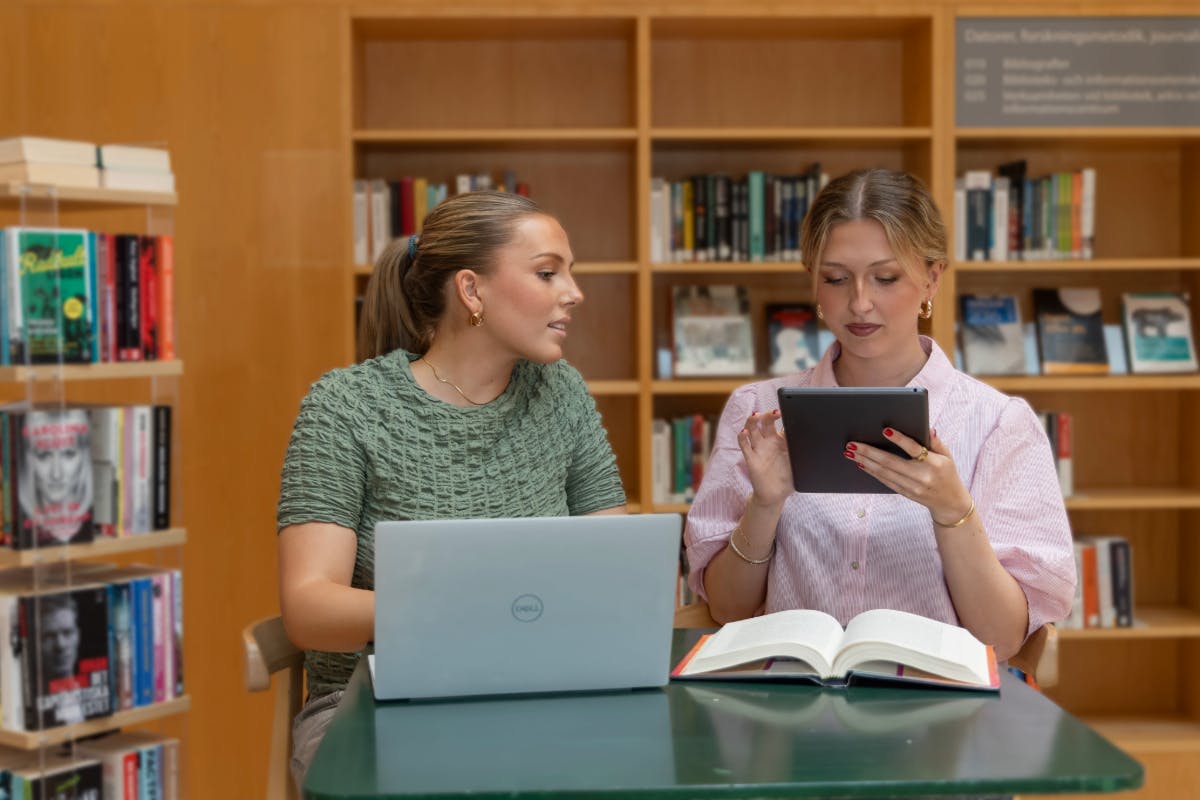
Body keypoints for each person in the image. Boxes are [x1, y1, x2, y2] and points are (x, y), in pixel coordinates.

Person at [276, 190, 627, 783]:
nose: (574, 292)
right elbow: (310, 607)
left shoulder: (561, 393)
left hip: (535, 697)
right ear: (471, 291)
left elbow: (617, 569)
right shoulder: (345, 406)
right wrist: (473, 611)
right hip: (369, 704)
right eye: (548, 273)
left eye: (570, 273)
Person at [685, 168, 1076, 666]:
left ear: (932, 278)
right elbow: (727, 610)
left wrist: (953, 511)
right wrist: (764, 504)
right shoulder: (758, 411)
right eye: (835, 278)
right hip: (793, 707)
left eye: (885, 278)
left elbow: (1001, 641)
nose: (860, 303)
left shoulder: (999, 423)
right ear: (814, 283)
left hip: (938, 713)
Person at [16, 408, 93, 546]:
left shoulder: (95, 527)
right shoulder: (18, 531)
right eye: (43, 455)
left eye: (68, 454)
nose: (56, 474)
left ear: (84, 458)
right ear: (28, 460)